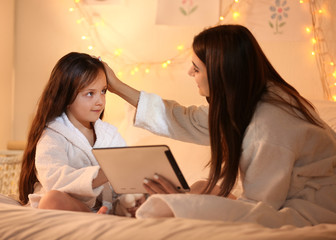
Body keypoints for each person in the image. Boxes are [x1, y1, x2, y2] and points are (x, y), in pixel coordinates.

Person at [102, 24, 336, 227]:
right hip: (283, 201)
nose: (189, 72)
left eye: (196, 68)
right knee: (202, 187)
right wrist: (117, 86)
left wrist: (182, 202)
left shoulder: (268, 127)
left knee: (181, 202)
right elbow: (180, 118)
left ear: (221, 72)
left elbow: (259, 209)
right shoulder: (248, 102)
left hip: (309, 212)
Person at [18, 52, 126, 213]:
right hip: (67, 205)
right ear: (66, 96)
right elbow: (54, 178)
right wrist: (103, 174)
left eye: (103, 91)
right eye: (90, 93)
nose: (100, 101)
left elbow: (124, 177)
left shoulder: (109, 134)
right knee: (51, 200)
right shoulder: (53, 135)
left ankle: (105, 213)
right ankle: (91, 216)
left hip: (104, 206)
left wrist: (131, 198)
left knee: (144, 198)